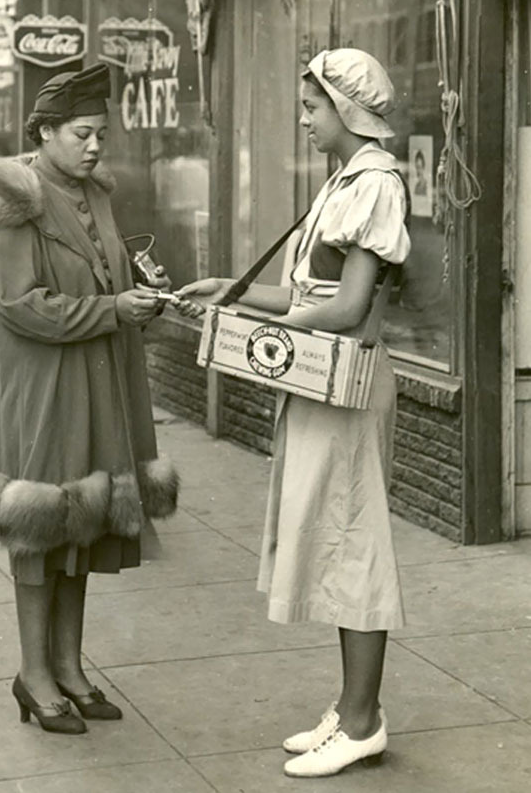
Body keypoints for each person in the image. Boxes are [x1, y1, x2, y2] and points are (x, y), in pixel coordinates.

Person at [177, 48, 411, 778]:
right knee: (336, 543)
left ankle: (365, 721)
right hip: (321, 388)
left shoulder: (375, 185)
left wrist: (264, 337)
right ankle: (351, 707)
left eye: (312, 109)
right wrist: (234, 289)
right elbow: (312, 295)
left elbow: (345, 308)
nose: (305, 122)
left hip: (347, 390)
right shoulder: (341, 183)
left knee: (354, 543)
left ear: (344, 109)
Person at [0, 64, 178, 735]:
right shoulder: (15, 195)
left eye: (102, 133)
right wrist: (113, 307)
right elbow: (19, 305)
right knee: (40, 524)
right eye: (82, 133)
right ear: (45, 131)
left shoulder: (92, 192)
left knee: (85, 518)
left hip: (98, 376)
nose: (96, 146)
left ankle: (70, 668)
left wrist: (138, 291)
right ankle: (34, 674)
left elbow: (104, 270)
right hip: (43, 389)